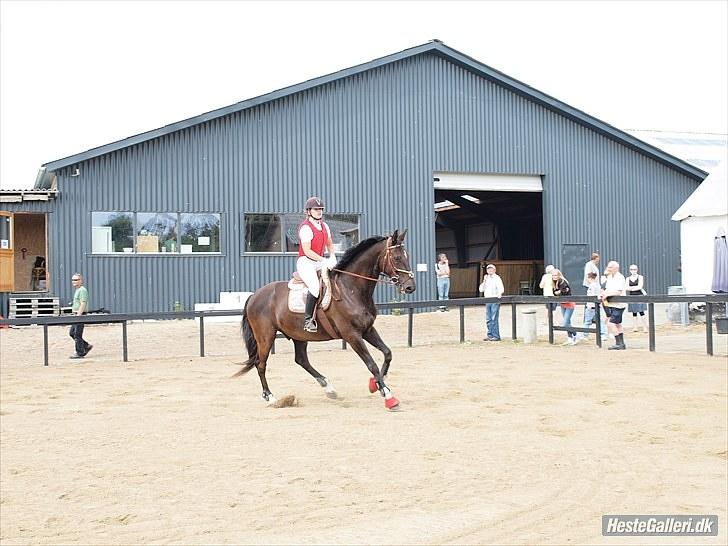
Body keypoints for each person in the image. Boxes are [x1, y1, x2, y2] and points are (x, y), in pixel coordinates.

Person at [297, 196, 336, 333]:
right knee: (314, 287)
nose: (319, 211)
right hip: (306, 262)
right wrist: (323, 260)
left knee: (335, 277)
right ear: (309, 211)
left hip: (319, 261)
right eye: (316, 209)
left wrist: (332, 256)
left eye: (321, 209)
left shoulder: (325, 226)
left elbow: (329, 243)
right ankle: (308, 320)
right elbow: (307, 251)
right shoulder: (305, 228)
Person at [601, 260, 627, 350]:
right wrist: (603, 293)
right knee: (618, 324)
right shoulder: (609, 277)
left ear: (616, 268)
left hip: (619, 305)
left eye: (610, 267)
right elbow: (607, 289)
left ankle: (618, 343)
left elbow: (618, 291)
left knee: (610, 323)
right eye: (608, 267)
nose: (609, 269)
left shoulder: (620, 277)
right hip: (612, 304)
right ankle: (621, 343)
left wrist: (607, 294)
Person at [575, 271, 608, 342]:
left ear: (589, 278)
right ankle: (603, 334)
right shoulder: (597, 285)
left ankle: (585, 334)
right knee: (600, 321)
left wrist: (589, 305)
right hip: (597, 306)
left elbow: (592, 296)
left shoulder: (592, 286)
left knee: (587, 321)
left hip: (591, 306)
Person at [69, 273, 92, 359]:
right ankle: (86, 346)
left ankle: (80, 352)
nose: (74, 282)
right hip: (76, 314)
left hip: (80, 314)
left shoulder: (82, 290)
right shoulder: (78, 290)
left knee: (77, 334)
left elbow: (83, 303)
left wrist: (79, 315)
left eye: (76, 280)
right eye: (73, 280)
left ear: (81, 281)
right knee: (72, 333)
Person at [479, 263, 504, 341]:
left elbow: (501, 288)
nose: (489, 270)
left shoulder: (497, 278)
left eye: (491, 269)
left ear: (494, 270)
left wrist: (499, 295)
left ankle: (496, 336)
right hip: (487, 300)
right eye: (488, 269)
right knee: (488, 319)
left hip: (494, 300)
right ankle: (490, 335)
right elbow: (481, 289)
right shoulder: (487, 279)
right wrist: (484, 281)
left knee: (494, 318)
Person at [551, 268, 577, 345]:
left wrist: (559, 292)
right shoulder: (554, 283)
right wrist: (557, 292)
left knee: (565, 323)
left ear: (559, 275)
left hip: (569, 304)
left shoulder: (563, 282)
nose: (554, 277)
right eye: (553, 275)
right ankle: (570, 338)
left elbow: (565, 291)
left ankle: (576, 334)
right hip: (562, 304)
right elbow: (554, 292)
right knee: (568, 322)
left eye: (555, 275)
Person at [626, 264, 648, 333]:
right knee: (634, 312)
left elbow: (640, 286)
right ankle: (635, 327)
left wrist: (631, 288)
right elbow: (626, 287)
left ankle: (645, 327)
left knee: (642, 312)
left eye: (634, 269)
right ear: (630, 270)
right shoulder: (628, 278)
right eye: (632, 269)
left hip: (639, 296)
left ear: (637, 270)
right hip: (632, 296)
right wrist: (633, 288)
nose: (633, 271)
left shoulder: (640, 277)